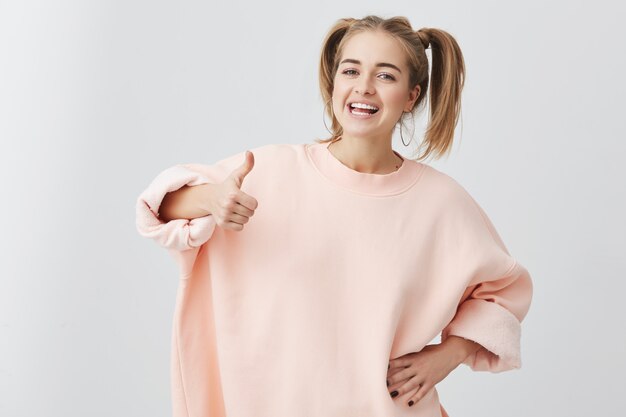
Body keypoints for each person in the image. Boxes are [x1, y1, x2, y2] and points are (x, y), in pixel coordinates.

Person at [136, 15, 533, 417]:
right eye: (351, 70)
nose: (363, 86)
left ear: (411, 96)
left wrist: (447, 355)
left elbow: (504, 292)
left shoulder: (441, 203)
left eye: (386, 75)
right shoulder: (266, 171)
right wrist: (210, 199)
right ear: (334, 82)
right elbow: (159, 208)